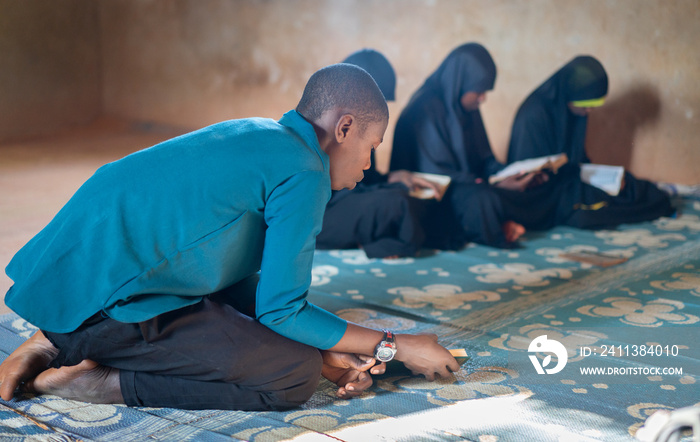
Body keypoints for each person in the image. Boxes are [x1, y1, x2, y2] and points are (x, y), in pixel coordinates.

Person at [0, 64, 459, 411]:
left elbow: (265, 295)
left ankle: (52, 339)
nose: (366, 165)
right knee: (292, 374)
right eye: (370, 147)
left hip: (71, 282)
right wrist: (396, 344)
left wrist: (330, 348)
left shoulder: (261, 132)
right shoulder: (304, 173)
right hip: (103, 310)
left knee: (275, 308)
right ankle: (94, 381)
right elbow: (283, 311)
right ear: (343, 129)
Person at [390, 43, 556, 249]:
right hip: (437, 192)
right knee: (482, 200)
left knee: (541, 186)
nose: (483, 98)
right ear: (460, 82)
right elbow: (434, 173)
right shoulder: (423, 109)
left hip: (473, 184)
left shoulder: (467, 107)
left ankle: (500, 222)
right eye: (478, 91)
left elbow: (485, 158)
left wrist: (507, 175)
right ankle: (499, 225)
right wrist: (488, 183)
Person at [508, 55, 673, 228]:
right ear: (569, 94)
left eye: (593, 106)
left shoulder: (573, 111)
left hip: (572, 180)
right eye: (585, 105)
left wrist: (604, 178)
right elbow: (529, 179)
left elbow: (576, 160)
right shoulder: (533, 115)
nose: (588, 111)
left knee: (634, 188)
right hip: (546, 195)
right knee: (587, 212)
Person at [316, 49, 444, 258]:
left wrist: (395, 177)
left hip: (351, 202)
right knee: (396, 204)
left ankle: (373, 237)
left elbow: (364, 179)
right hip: (322, 217)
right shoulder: (331, 121)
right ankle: (378, 245)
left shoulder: (361, 122)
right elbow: (336, 190)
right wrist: (384, 189)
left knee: (409, 197)